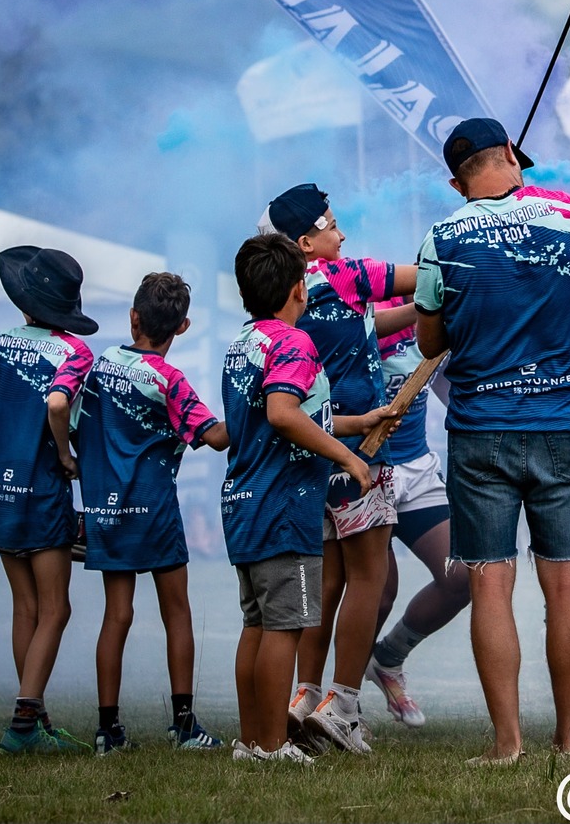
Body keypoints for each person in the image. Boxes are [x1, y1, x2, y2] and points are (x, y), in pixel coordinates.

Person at [412, 117, 570, 764]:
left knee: (489, 583)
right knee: (565, 584)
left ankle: (506, 742)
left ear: (456, 179)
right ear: (513, 156)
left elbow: (430, 343)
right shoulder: (567, 212)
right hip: (562, 428)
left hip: (480, 429)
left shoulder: (443, 235)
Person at [45, 272, 230, 754]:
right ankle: (184, 726)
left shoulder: (100, 365)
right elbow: (214, 437)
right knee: (178, 613)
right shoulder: (170, 382)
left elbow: (73, 416)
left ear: (132, 318)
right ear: (183, 327)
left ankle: (108, 730)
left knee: (117, 615)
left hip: (107, 512)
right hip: (156, 513)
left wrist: (68, 457)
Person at [219, 233, 376, 764]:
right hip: (284, 506)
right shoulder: (294, 342)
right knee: (284, 628)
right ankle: (273, 743)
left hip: (243, 503)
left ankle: (250, 742)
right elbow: (283, 415)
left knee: (257, 626)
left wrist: (357, 424)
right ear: (297, 290)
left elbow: (294, 416)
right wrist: (350, 458)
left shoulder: (244, 344)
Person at [0, 246, 99, 754]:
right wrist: (67, 454)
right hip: (41, 489)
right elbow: (59, 407)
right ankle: (23, 726)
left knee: (25, 606)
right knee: (56, 608)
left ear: (25, 303)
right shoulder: (75, 352)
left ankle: (36, 720)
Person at [266, 184, 407, 756]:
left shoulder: (285, 295)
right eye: (331, 225)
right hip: (359, 450)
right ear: (307, 242)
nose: (341, 234)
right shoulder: (345, 275)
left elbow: (371, 327)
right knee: (369, 580)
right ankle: (343, 705)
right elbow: (424, 278)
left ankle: (305, 695)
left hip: (312, 455)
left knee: (328, 581)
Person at [364, 296, 473, 729]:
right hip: (363, 470)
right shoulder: (354, 313)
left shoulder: (433, 320)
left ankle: (388, 657)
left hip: (417, 469)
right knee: (379, 593)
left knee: (462, 576)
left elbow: (449, 386)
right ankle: (341, 700)